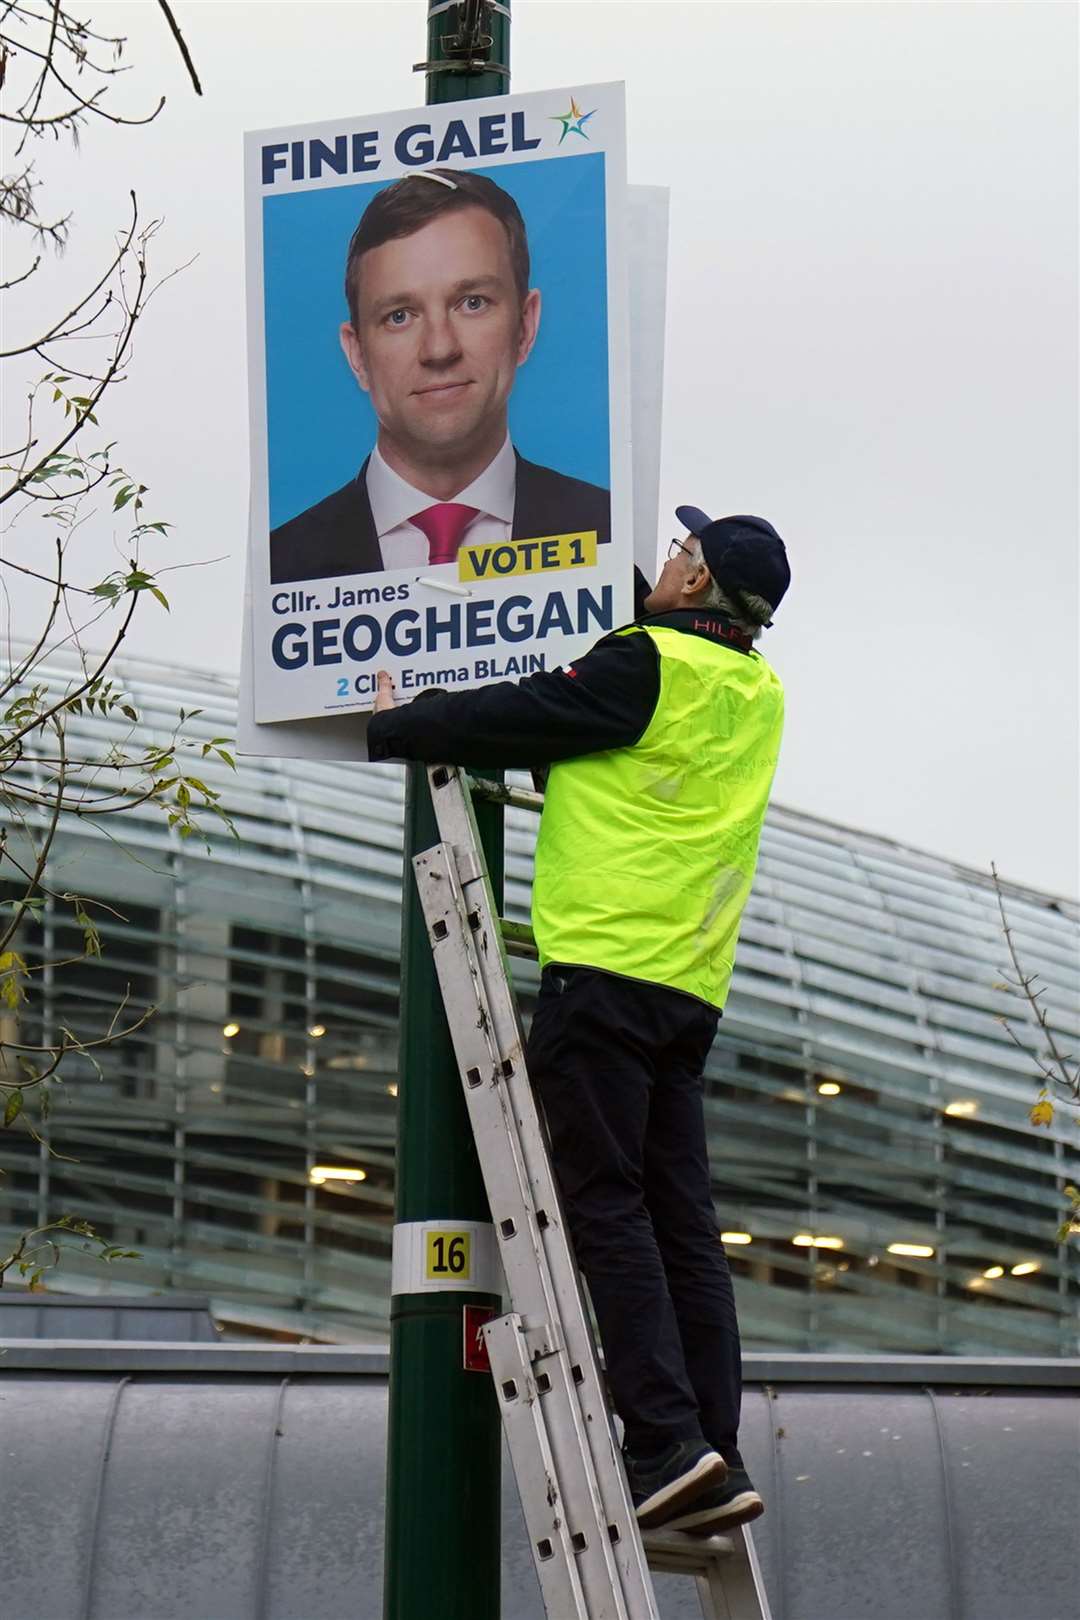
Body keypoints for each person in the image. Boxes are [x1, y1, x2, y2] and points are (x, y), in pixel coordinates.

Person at [367, 506, 790, 1535]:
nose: (670, 558)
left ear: (695, 584)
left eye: (684, 552)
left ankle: (661, 1442)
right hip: (689, 988)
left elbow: (521, 716)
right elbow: (609, 764)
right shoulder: (757, 692)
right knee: (683, 1224)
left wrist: (392, 720)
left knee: (605, 1208)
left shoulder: (642, 665)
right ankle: (713, 1448)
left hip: (602, 970)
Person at [270, 167, 610, 584]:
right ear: (356, 353)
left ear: (525, 326)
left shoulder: (608, 536)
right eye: (399, 316)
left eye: (472, 303)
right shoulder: (282, 566)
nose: (439, 349)